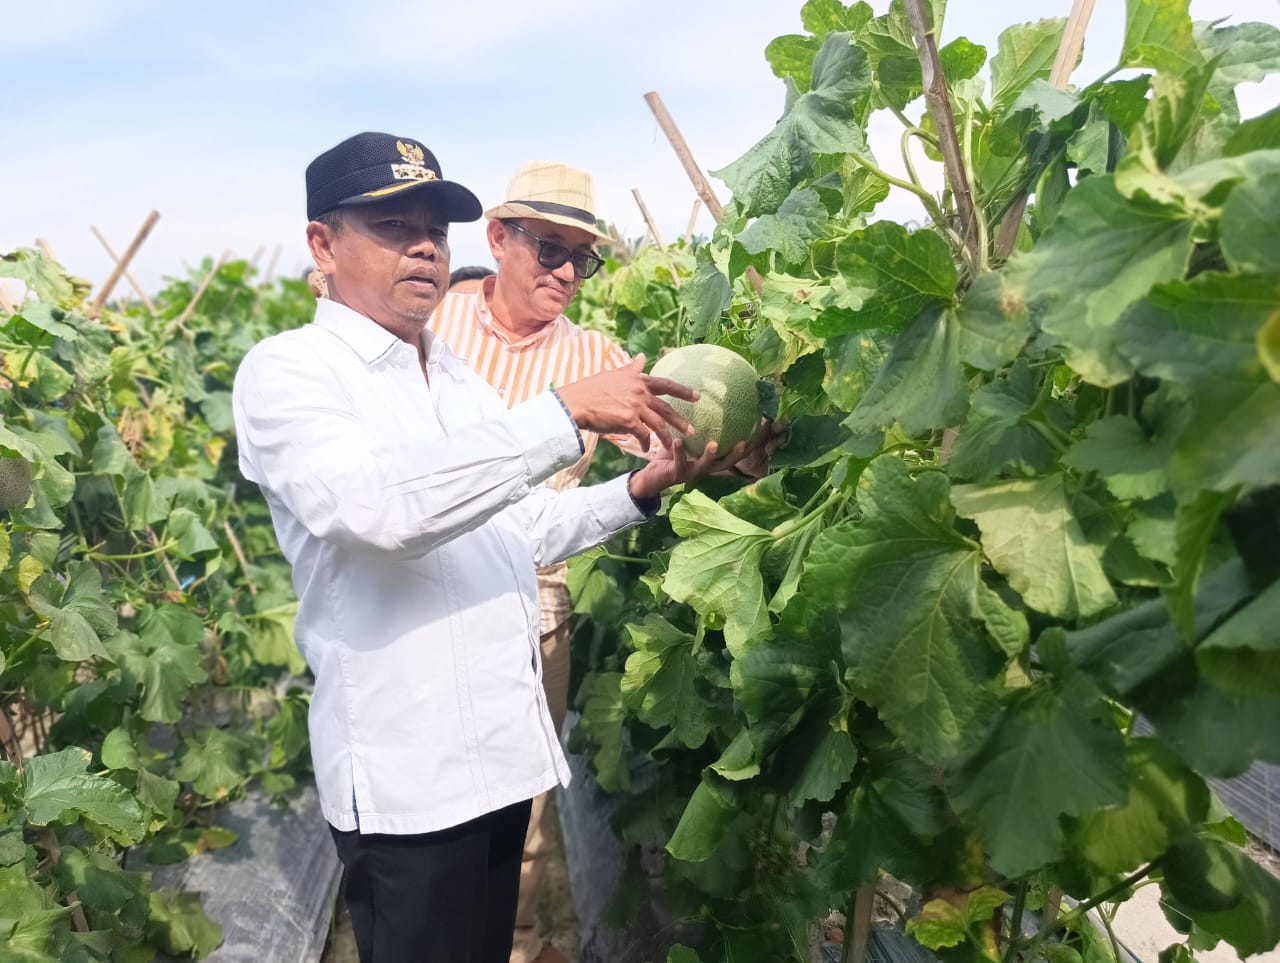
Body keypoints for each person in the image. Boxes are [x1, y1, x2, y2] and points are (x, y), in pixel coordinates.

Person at [231, 132, 746, 963]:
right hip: (411, 778)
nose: (427, 246)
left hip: (499, 767)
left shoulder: (455, 379)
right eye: (395, 227)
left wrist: (645, 488)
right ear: (323, 243)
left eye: (435, 229)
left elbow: (525, 527)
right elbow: (379, 506)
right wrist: (562, 414)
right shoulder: (289, 372)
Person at [431, 161, 773, 963]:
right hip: (420, 582)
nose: (565, 273)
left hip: (532, 595)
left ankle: (515, 943)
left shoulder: (596, 354)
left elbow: (666, 439)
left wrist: (735, 454)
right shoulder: (431, 328)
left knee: (520, 799)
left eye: (581, 259)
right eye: (550, 249)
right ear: (498, 237)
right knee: (427, 794)